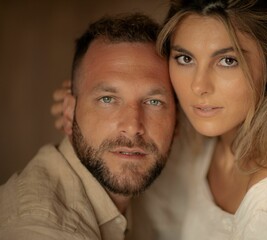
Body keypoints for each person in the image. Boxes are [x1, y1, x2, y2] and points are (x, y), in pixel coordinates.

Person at [52, 0, 267, 239]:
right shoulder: (199, 143)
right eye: (185, 58)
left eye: (227, 60)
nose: (199, 86)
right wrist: (89, 106)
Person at [0, 13, 176, 240]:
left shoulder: (144, 201)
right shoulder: (43, 228)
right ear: (68, 112)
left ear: (177, 121)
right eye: (107, 99)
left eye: (154, 102)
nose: (133, 127)